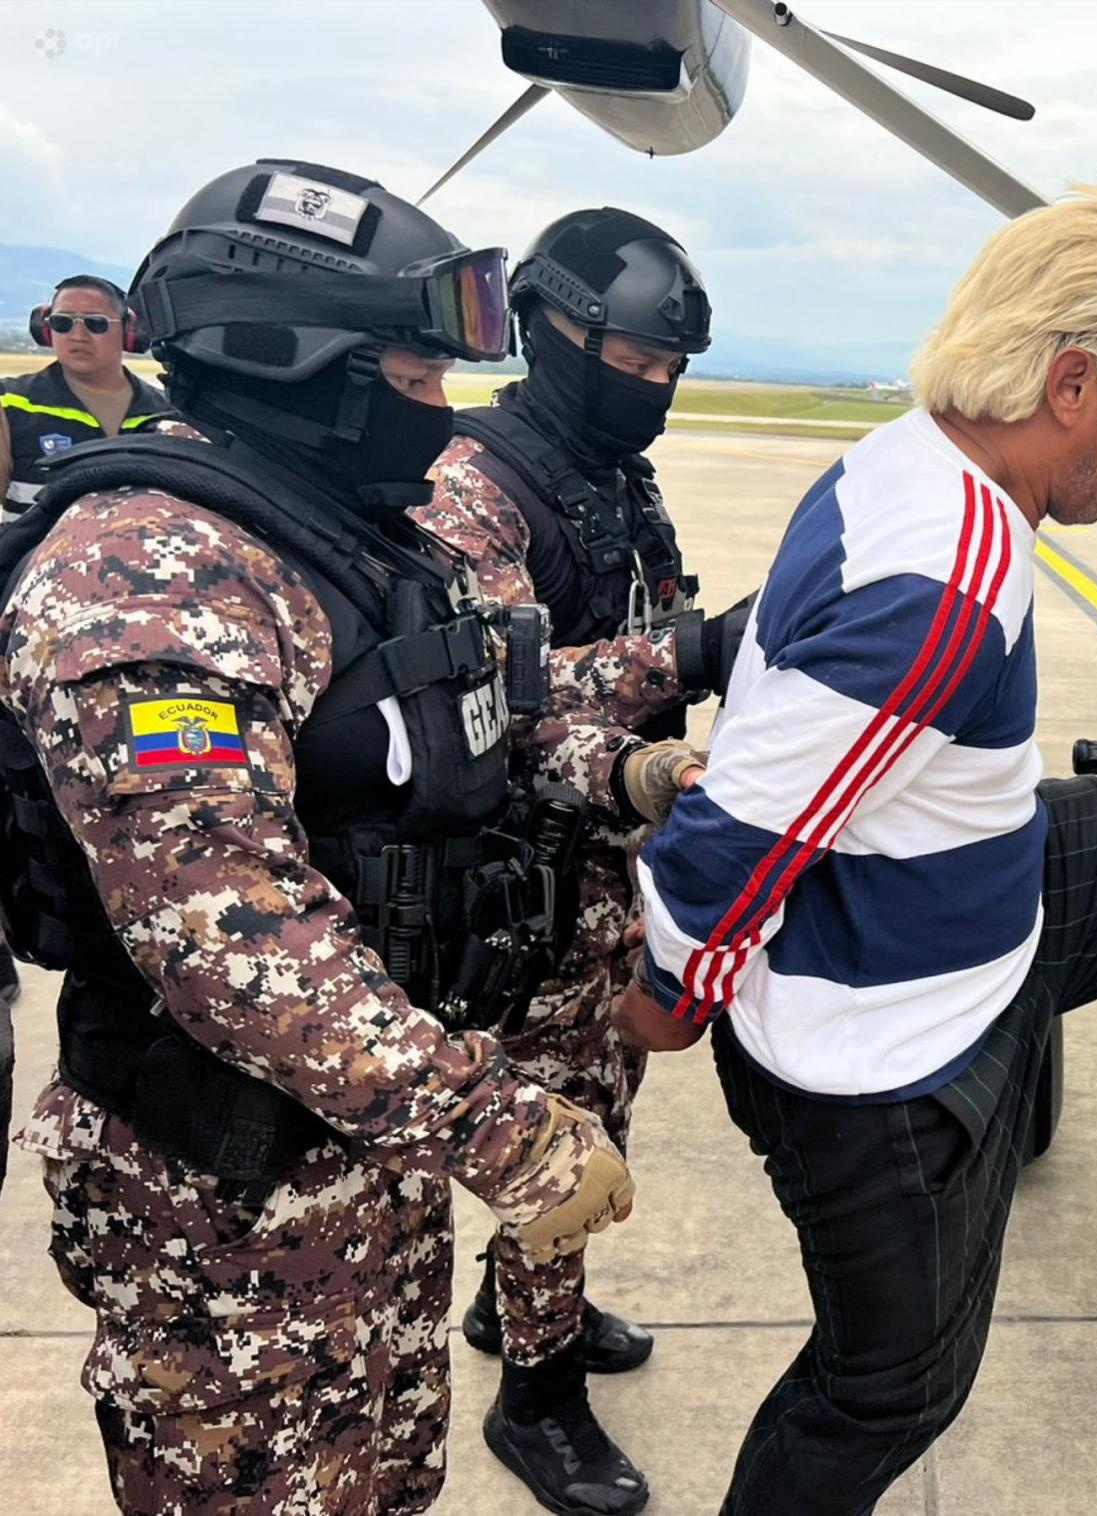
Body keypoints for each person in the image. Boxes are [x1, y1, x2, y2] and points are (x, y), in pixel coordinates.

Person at [625, 176, 1097, 1514]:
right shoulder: (945, 576)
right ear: (1073, 385)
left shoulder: (922, 458)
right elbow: (737, 833)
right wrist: (672, 995)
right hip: (885, 1039)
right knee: (891, 1389)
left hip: (986, 896)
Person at [0, 159, 639, 1516]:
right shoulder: (147, 575)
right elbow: (231, 938)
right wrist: (505, 1132)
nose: (443, 412)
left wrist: (629, 769)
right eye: (415, 379)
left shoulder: (342, 541)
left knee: (384, 1485)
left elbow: (470, 717)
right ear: (297, 365)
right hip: (224, 1202)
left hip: (364, 1160)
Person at [414, 206, 742, 1514]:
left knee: (606, 1100)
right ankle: (536, 1400)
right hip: (528, 871)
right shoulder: (472, 484)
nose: (650, 395)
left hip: (615, 853)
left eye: (671, 377)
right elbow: (505, 684)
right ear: (551, 331)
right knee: (561, 1135)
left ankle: (521, 1307)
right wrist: (699, 654)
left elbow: (634, 615)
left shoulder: (611, 474)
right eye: (634, 365)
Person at [0, 274, 170, 518]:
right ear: (46, 330)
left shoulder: (167, 413)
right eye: (62, 323)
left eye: (95, 323)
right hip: (33, 555)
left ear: (129, 329)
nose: (77, 335)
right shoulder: (10, 403)